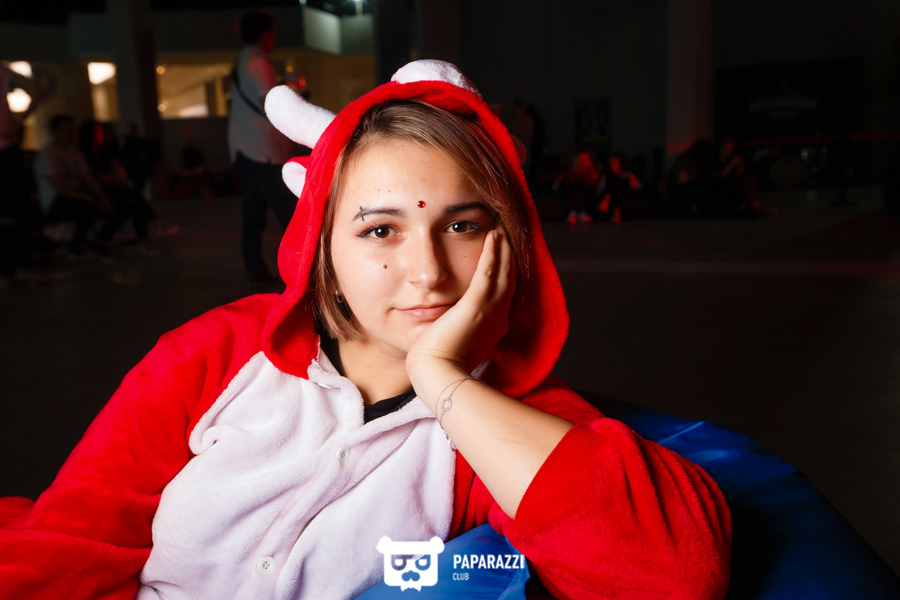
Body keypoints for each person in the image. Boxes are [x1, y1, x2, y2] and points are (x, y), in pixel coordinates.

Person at [0, 60, 731, 599]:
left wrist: (443, 381)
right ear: (322, 246)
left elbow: (674, 574)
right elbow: (74, 541)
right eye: (381, 230)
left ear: (509, 239)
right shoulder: (218, 352)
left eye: (463, 225)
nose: (428, 273)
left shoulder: (505, 420)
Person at [229, 11, 296, 286]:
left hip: (246, 150)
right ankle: (303, 274)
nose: (273, 38)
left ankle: (256, 272)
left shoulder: (243, 60)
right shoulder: (258, 62)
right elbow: (268, 104)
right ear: (264, 34)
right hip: (263, 153)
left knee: (253, 218)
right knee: (292, 217)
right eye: (272, 32)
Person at [34, 114, 123, 256]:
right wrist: (89, 198)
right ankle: (77, 245)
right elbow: (58, 186)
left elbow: (88, 178)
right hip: (57, 200)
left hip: (76, 194)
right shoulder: (48, 154)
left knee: (121, 199)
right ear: (54, 131)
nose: (69, 134)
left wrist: (103, 198)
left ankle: (100, 238)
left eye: (71, 130)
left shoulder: (74, 152)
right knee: (88, 208)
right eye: (65, 129)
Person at [0, 62, 44, 283]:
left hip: (7, 147)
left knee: (16, 209)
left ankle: (12, 267)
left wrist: (17, 121)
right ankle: (20, 266)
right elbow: (37, 90)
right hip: (6, 149)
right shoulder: (3, 72)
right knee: (19, 209)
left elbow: (37, 91)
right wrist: (18, 121)